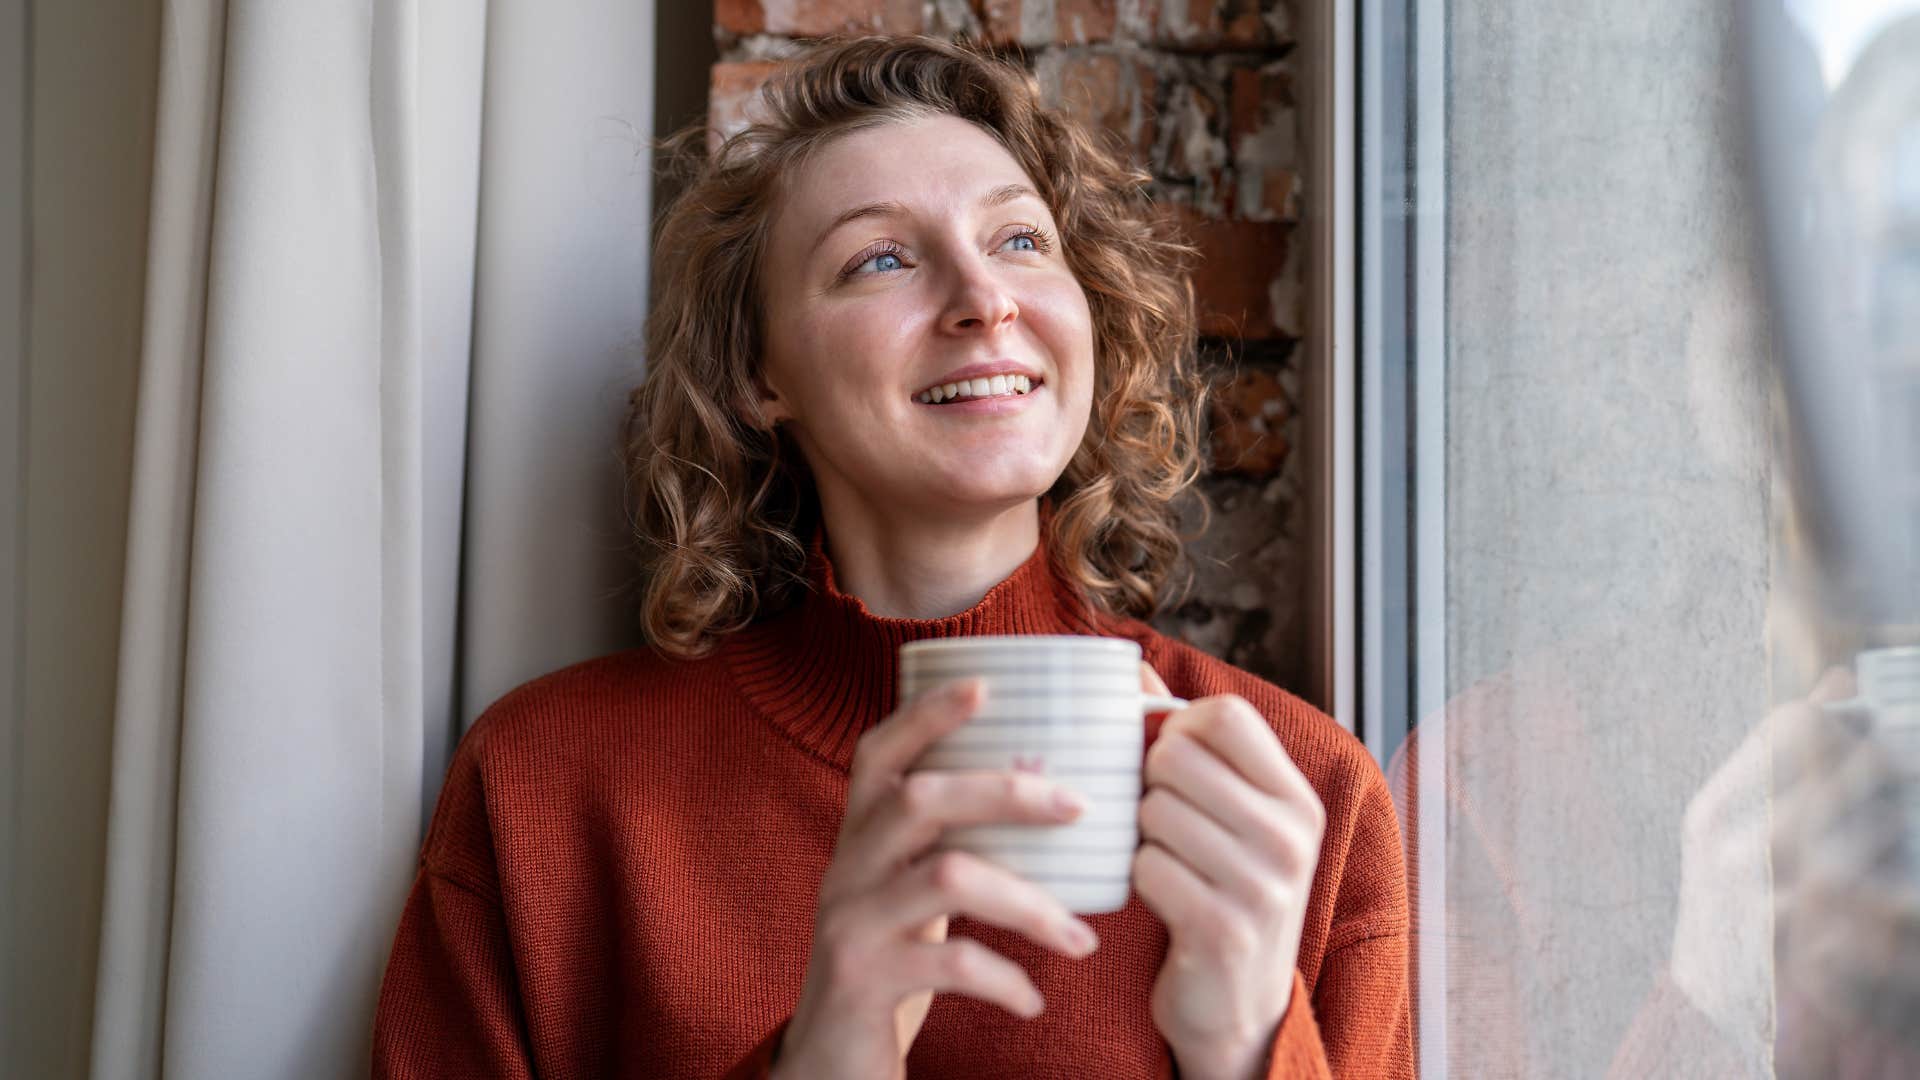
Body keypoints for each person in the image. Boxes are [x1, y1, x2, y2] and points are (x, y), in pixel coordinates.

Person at [371, 35, 1410, 1079]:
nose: (985, 298)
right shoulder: (544, 789)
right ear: (756, 375)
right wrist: (824, 1058)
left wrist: (1248, 1048)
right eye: (880, 259)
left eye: (1020, 240)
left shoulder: (1304, 801)